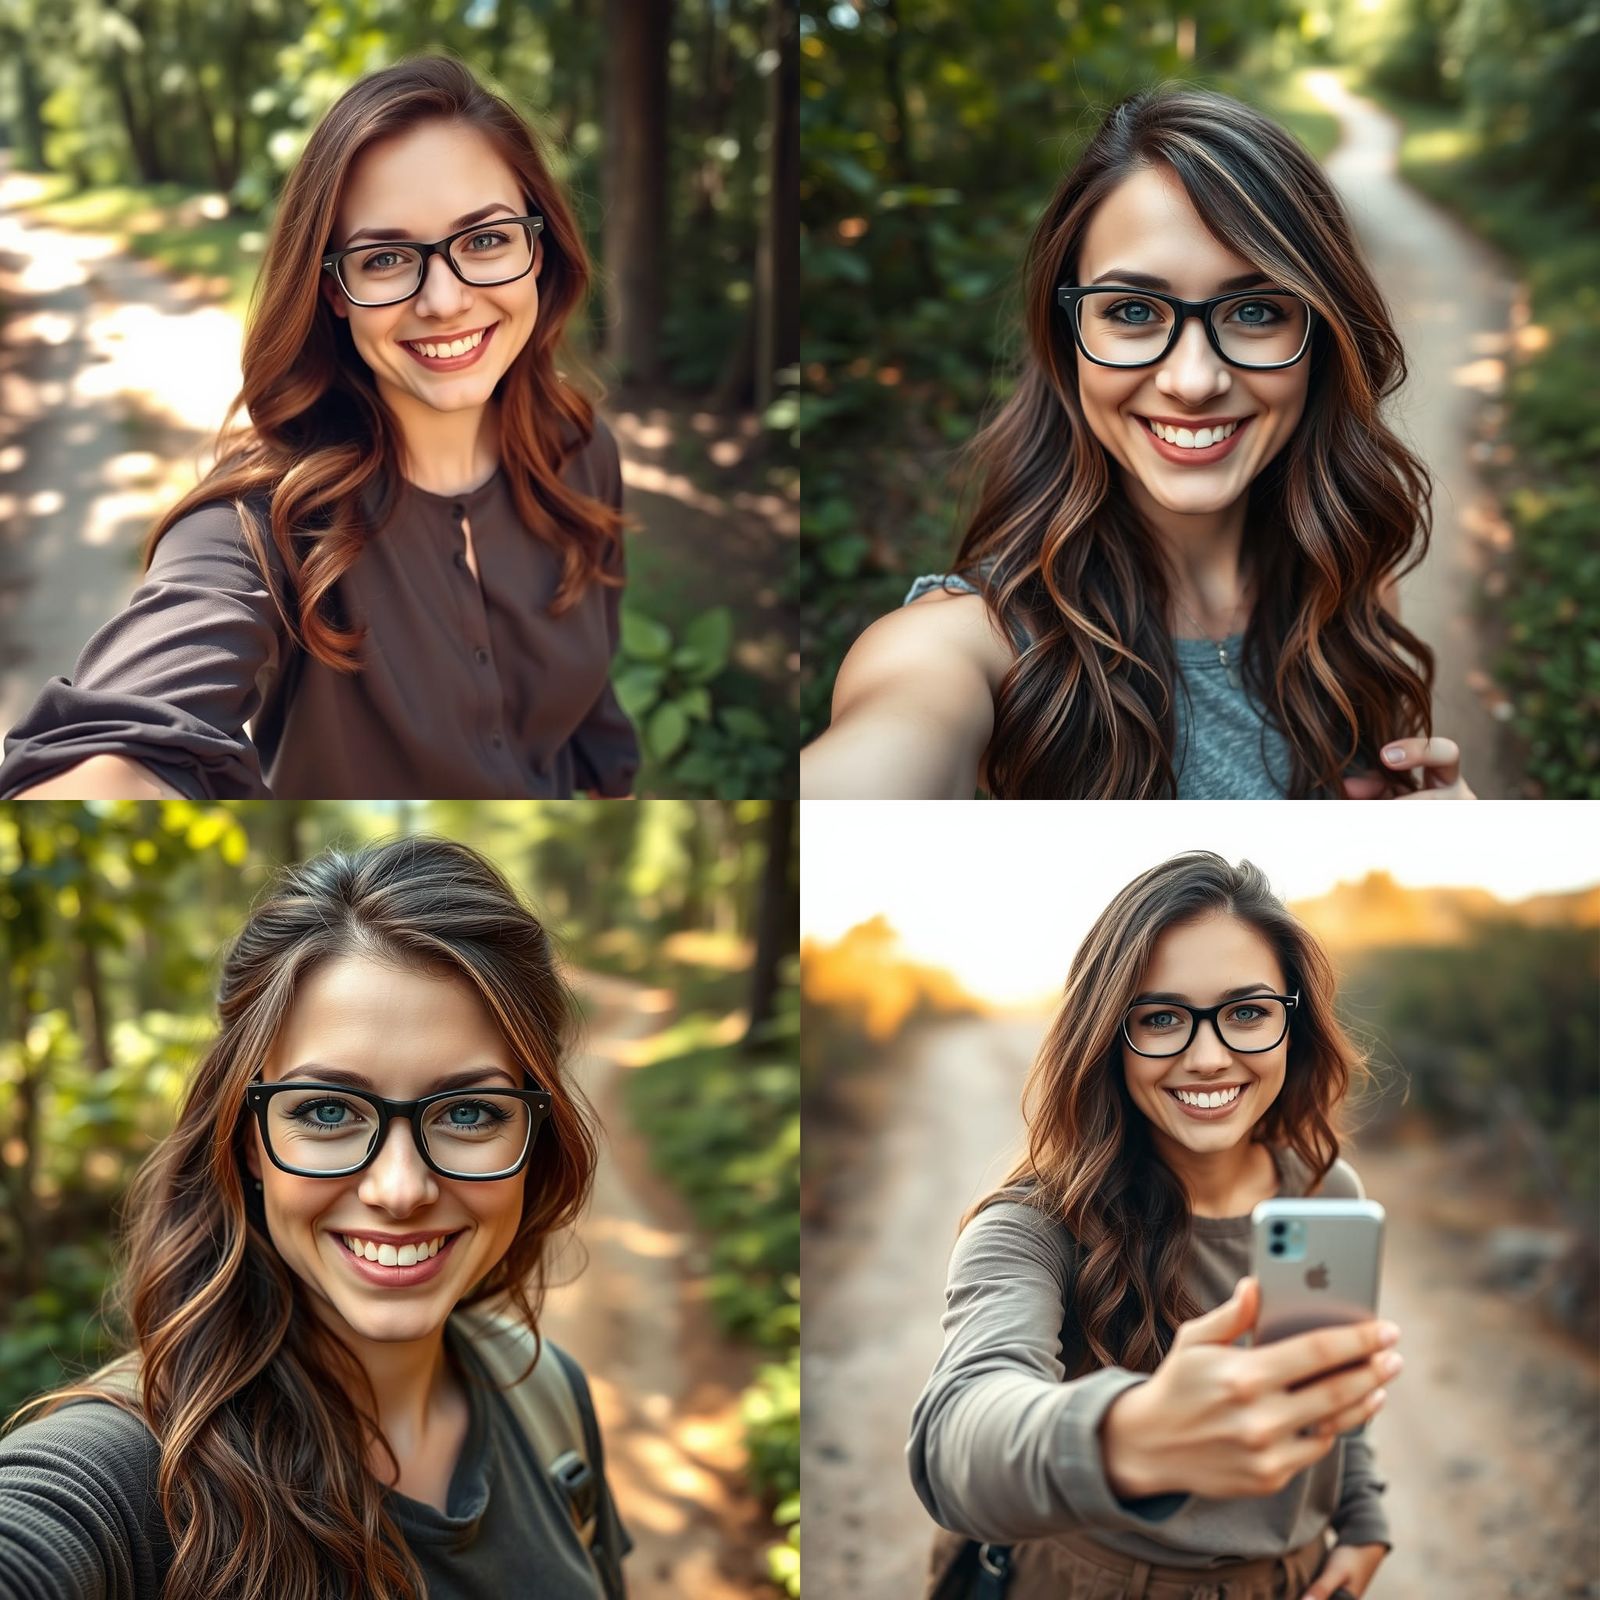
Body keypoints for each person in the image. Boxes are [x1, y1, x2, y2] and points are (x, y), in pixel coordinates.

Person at [802, 84, 1475, 801]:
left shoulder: (1353, 578)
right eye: (1131, 310)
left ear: (1320, 337)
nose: (1193, 379)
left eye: (1254, 310)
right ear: (1071, 339)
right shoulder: (971, 650)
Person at [0, 836, 630, 1600]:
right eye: (328, 1110)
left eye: (468, 1111)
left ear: (536, 1141)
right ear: (249, 1142)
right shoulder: (131, 1474)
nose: (400, 1190)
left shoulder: (548, 1395)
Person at [0, 55, 637, 801]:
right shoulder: (259, 523)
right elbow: (126, 738)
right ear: (333, 290)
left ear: (539, 250)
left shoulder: (582, 451)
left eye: (486, 241)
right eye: (386, 258)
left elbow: (595, 731)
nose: (443, 300)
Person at [908, 851, 1398, 1600]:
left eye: (1247, 1012)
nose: (1209, 1057)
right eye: (1162, 1018)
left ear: (1292, 1024)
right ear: (1107, 1035)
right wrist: (1125, 1437)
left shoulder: (1327, 1194)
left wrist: (1363, 1522)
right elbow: (955, 1438)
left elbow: (1331, 1391)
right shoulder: (1033, 1226)